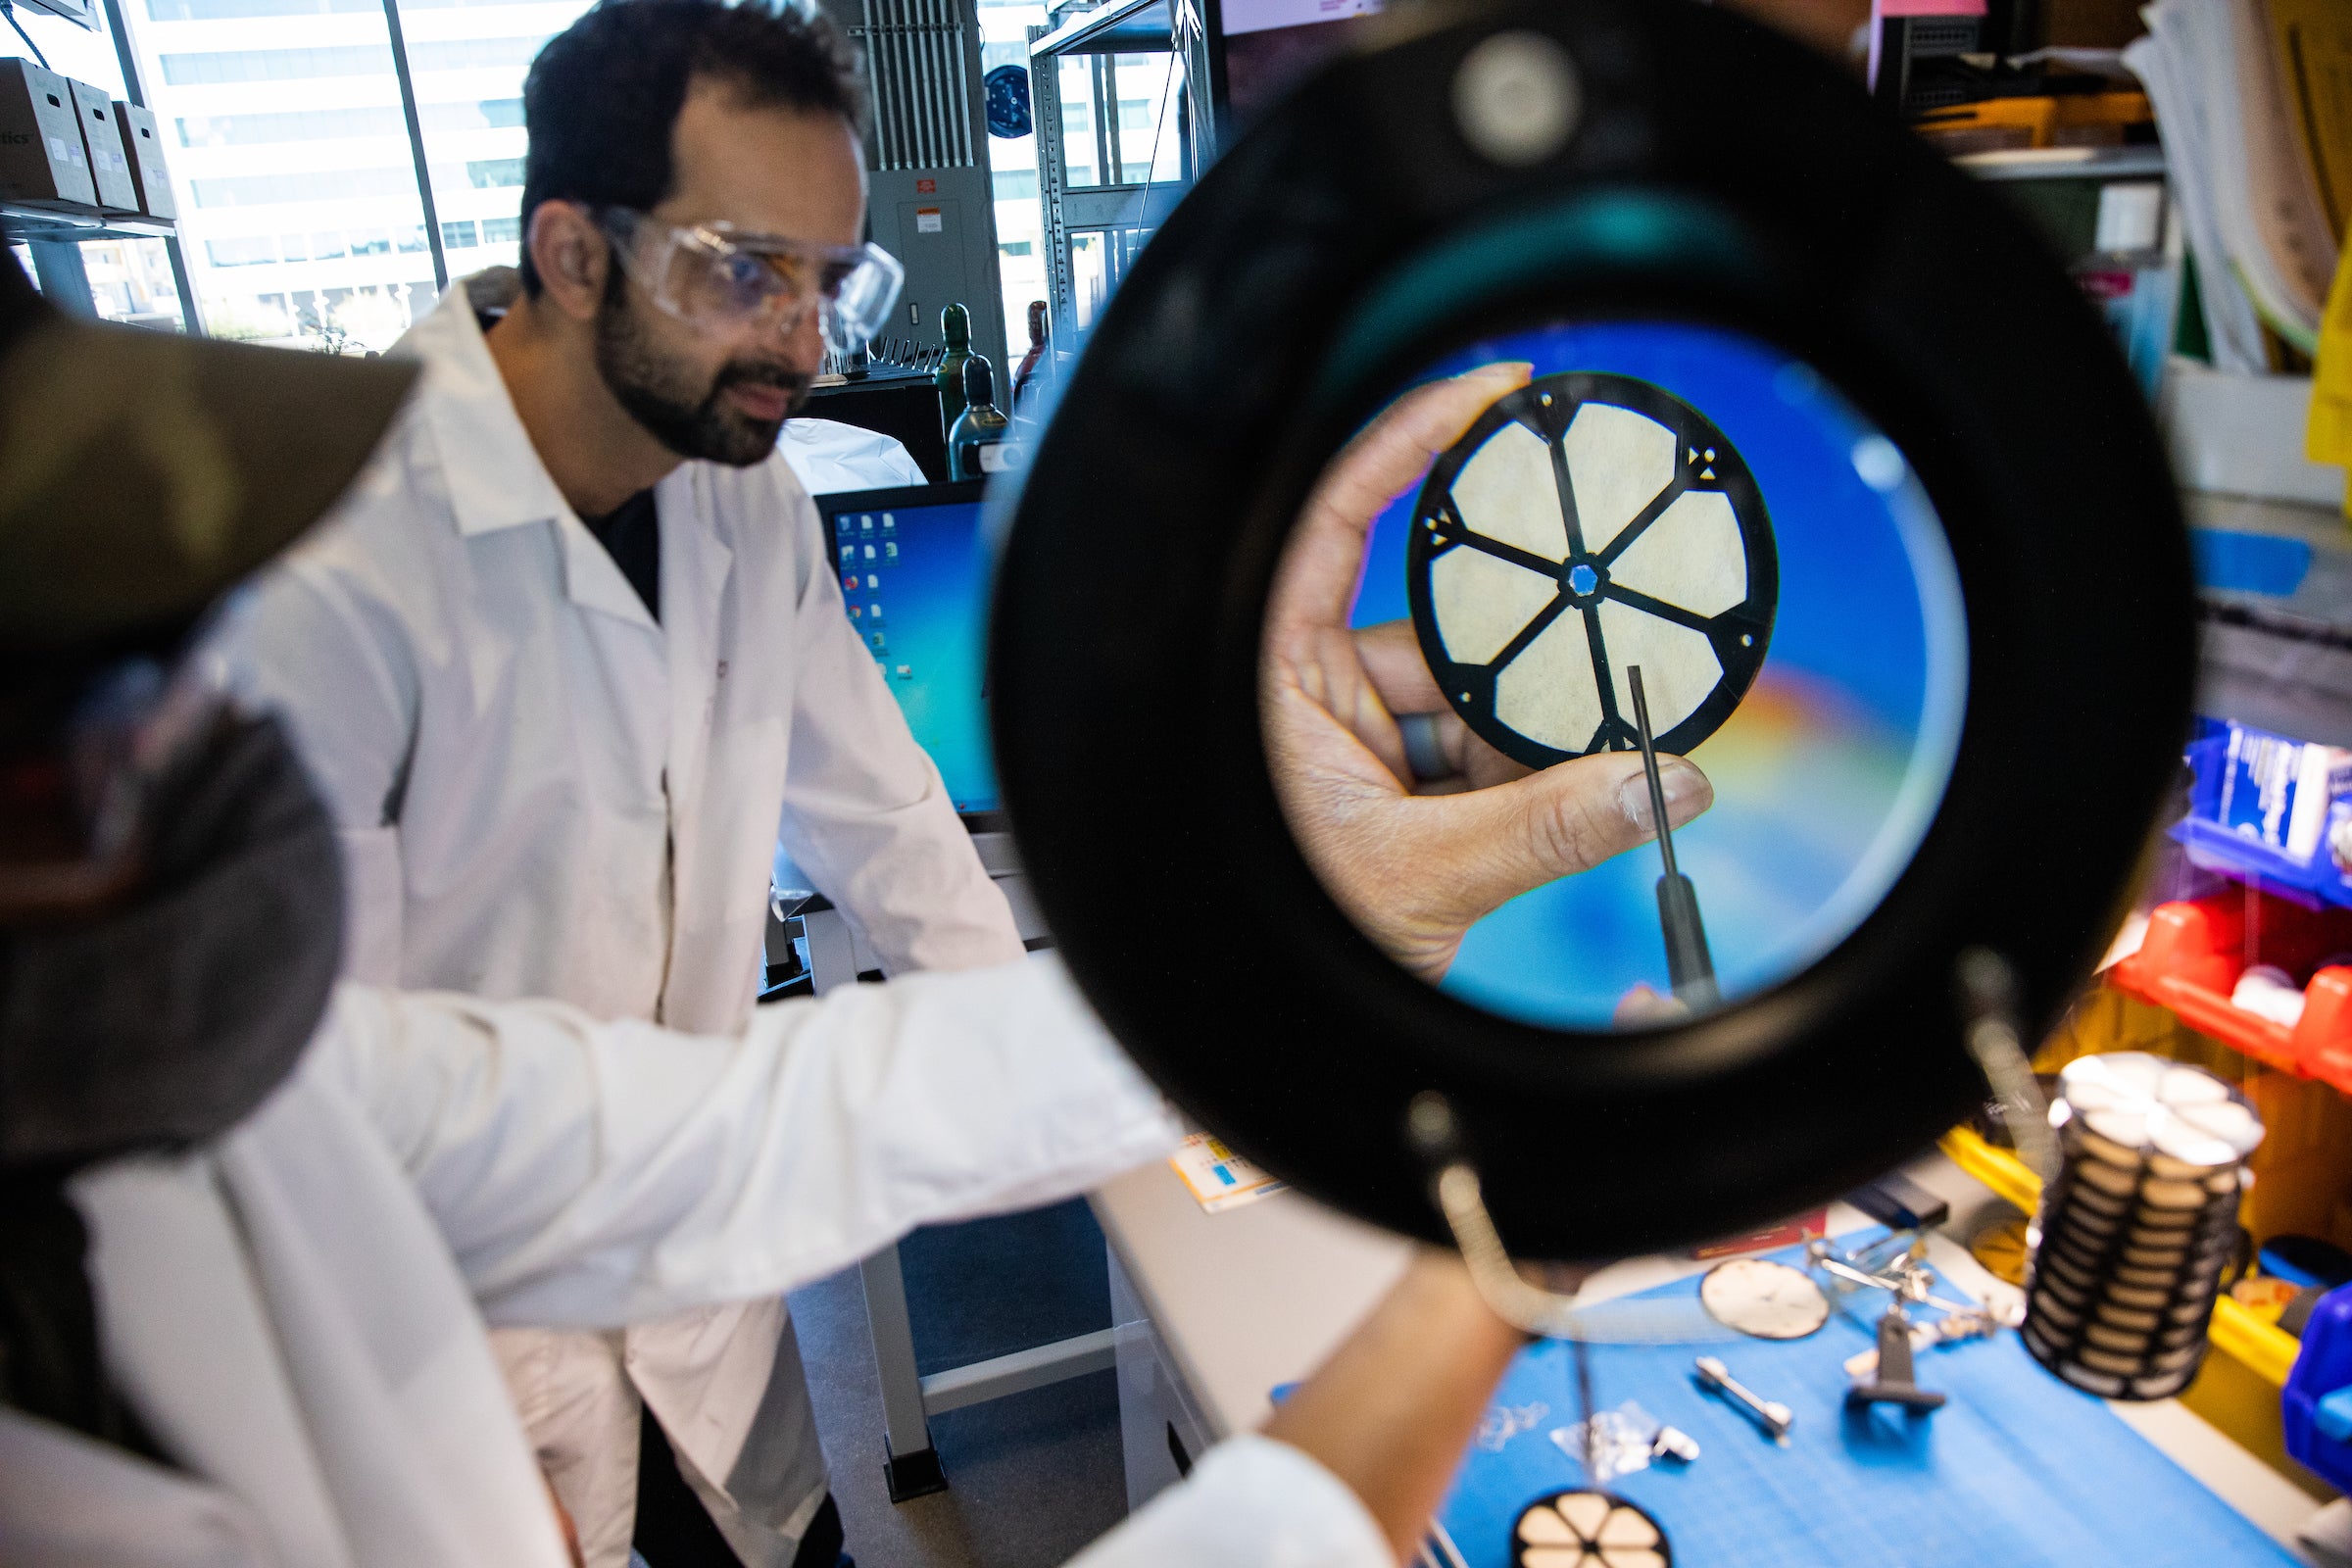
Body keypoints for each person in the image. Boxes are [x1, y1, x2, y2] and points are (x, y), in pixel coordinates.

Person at [0, 250, 1535, 1568]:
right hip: (525, 1386)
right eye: (62, 712)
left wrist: (1316, 973)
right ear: (578, 247)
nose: (195, 745)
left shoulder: (269, 1089)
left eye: (161, 675)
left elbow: (765, 1120)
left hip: (685, 1367)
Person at [214, 6, 1023, 1563]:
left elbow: (890, 824)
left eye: (830, 286)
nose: (802, 343)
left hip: (707, 1322)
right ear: (573, 254)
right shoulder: (332, 558)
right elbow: (296, 1101)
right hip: (453, 1370)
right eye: (747, 273)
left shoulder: (748, 503)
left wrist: (1084, 1087)